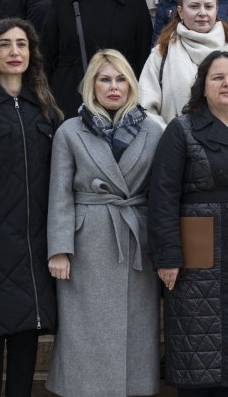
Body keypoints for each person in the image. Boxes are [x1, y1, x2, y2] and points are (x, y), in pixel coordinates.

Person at [148, 51, 228, 396]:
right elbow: (163, 196)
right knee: (197, 358)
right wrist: (168, 256)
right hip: (197, 258)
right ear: (203, 86)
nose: (227, 84)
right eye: (218, 77)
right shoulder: (181, 130)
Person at [44, 50, 163, 397]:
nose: (114, 87)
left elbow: (160, 194)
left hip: (134, 238)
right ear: (92, 85)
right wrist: (59, 250)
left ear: (131, 84)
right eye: (105, 79)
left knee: (135, 330)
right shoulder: (70, 131)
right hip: (86, 245)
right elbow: (59, 193)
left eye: (121, 79)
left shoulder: (152, 131)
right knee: (84, 332)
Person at [0, 18, 63, 397]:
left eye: (21, 44)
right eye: (5, 44)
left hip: (33, 249)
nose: (14, 52)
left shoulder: (47, 111)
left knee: (24, 349)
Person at [42, 0, 152, 117]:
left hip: (120, 104)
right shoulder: (63, 0)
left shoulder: (134, 0)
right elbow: (46, 56)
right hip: (69, 101)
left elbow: (143, 58)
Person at [141, 0, 228, 124]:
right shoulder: (161, 54)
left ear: (216, 11)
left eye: (208, 7)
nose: (202, 13)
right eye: (194, 6)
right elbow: (146, 108)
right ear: (180, 12)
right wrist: (172, 139)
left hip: (226, 144)